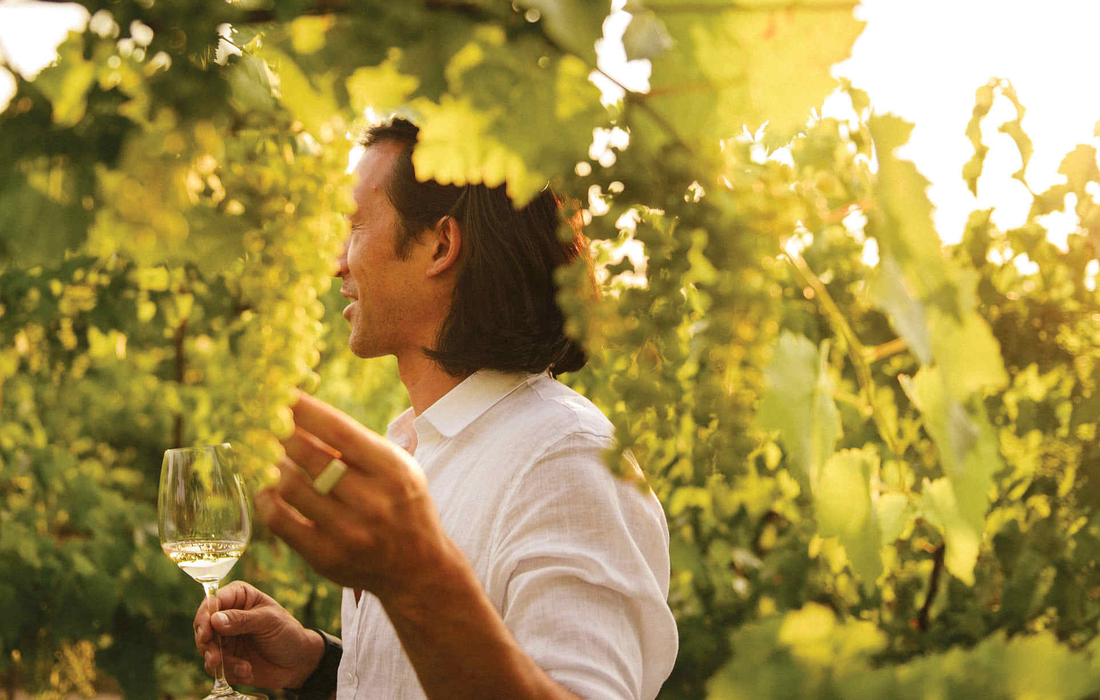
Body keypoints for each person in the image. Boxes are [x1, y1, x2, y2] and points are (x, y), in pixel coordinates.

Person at [192, 118, 678, 700]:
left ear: (441, 246)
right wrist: (321, 668)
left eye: (355, 228)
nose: (337, 264)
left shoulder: (567, 458)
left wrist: (414, 581)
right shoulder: (412, 446)